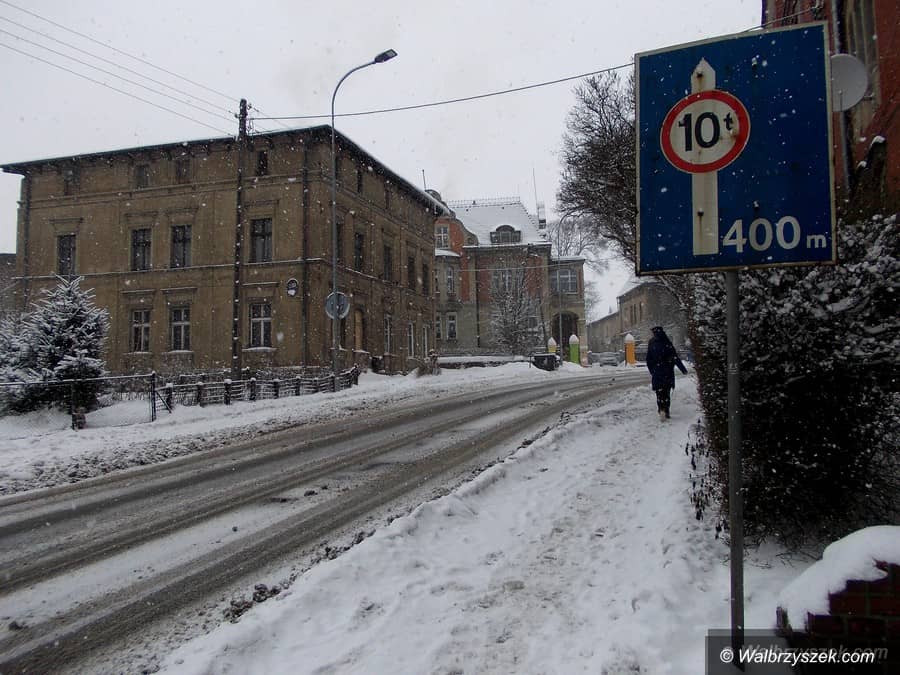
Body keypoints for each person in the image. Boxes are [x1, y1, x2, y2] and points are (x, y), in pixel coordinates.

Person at [645, 325, 688, 420]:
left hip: (657, 371)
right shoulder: (667, 341)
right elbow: (675, 357)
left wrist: (652, 370)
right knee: (666, 392)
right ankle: (666, 410)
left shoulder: (652, 343)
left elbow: (648, 359)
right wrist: (683, 369)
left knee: (659, 392)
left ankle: (661, 409)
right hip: (667, 371)